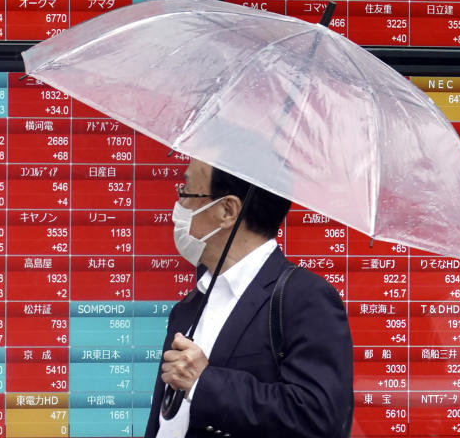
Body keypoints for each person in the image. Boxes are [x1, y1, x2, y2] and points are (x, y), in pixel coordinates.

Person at [144, 157, 354, 438]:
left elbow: (319, 417)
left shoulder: (303, 296)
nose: (178, 207)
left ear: (227, 210)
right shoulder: (191, 304)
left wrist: (205, 383)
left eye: (186, 191)